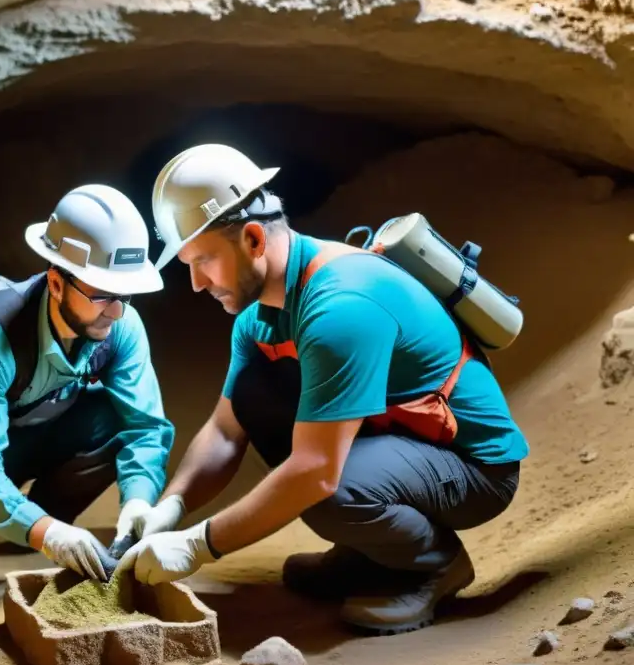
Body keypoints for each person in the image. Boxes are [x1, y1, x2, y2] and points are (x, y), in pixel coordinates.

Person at [117, 144, 529, 635]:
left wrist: (198, 544)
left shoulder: (339, 307)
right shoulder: (258, 317)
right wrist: (174, 505)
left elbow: (314, 472)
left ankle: (433, 563)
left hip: (475, 467)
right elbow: (226, 431)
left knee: (324, 487)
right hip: (400, 442)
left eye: (203, 260)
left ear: (252, 240)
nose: (196, 283)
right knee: (257, 394)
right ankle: (370, 552)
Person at [0, 184, 175, 595]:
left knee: (115, 418)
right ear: (57, 284)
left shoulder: (121, 324)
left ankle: (38, 520)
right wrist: (47, 534)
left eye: (125, 293)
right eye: (101, 294)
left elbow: (146, 428)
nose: (116, 310)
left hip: (42, 428)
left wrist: (138, 499)